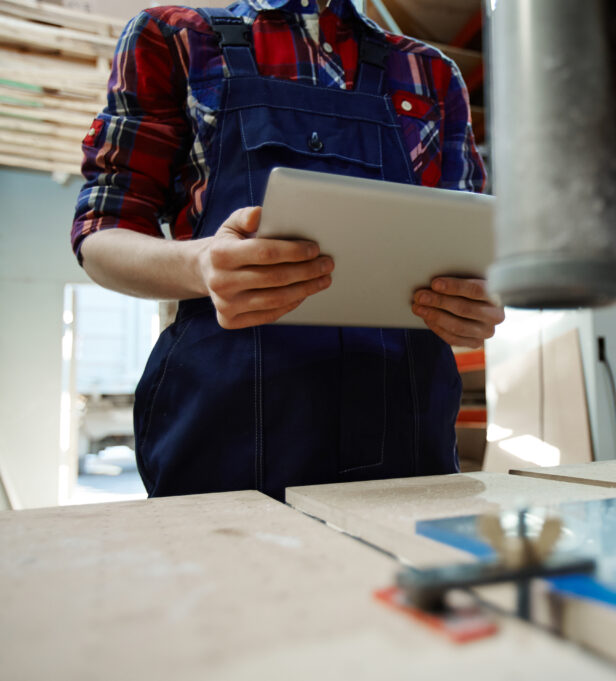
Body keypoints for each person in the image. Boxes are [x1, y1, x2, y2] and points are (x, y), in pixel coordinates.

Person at [71, 0, 503, 500]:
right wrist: (198, 263)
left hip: (407, 431)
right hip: (225, 428)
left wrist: (477, 302)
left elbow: (468, 249)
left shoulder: (431, 73)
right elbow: (102, 231)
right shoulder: (174, 37)